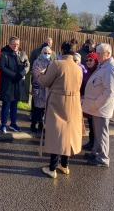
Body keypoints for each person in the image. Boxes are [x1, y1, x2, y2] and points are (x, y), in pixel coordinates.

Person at [33, 39, 83, 179]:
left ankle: (52, 168)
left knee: (57, 134)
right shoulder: (78, 67)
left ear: (62, 51)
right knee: (68, 134)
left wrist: (39, 74)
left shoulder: (57, 64)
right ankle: (65, 165)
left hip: (58, 102)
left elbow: (45, 82)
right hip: (73, 103)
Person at [82, 43, 114, 167]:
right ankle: (96, 152)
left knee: (101, 133)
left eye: (99, 53)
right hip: (96, 107)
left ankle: (103, 158)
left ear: (108, 54)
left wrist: (96, 105)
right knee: (97, 132)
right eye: (96, 53)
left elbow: (109, 91)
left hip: (101, 108)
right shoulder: (104, 65)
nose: (97, 56)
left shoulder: (111, 68)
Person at [0, 36, 30, 133]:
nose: (15, 46)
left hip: (18, 83)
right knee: (6, 104)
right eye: (13, 44)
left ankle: (13, 124)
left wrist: (21, 74)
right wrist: (14, 75)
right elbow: (2, 67)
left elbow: (27, 65)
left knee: (14, 105)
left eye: (17, 44)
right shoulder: (4, 54)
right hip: (8, 83)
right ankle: (3, 125)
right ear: (9, 44)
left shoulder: (22, 54)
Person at [30, 46, 53, 133]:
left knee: (44, 108)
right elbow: (36, 74)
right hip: (38, 88)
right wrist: (43, 74)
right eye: (45, 53)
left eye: (49, 53)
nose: (47, 55)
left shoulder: (51, 63)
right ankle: (33, 123)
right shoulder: (37, 62)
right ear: (41, 53)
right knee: (37, 107)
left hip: (46, 88)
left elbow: (51, 75)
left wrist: (42, 73)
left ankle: (41, 124)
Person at [80, 52, 98, 151]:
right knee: (90, 123)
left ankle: (94, 145)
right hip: (88, 100)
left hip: (95, 102)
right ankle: (91, 142)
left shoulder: (97, 71)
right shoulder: (88, 71)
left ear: (95, 60)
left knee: (95, 125)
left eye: (91, 60)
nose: (88, 62)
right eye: (87, 60)